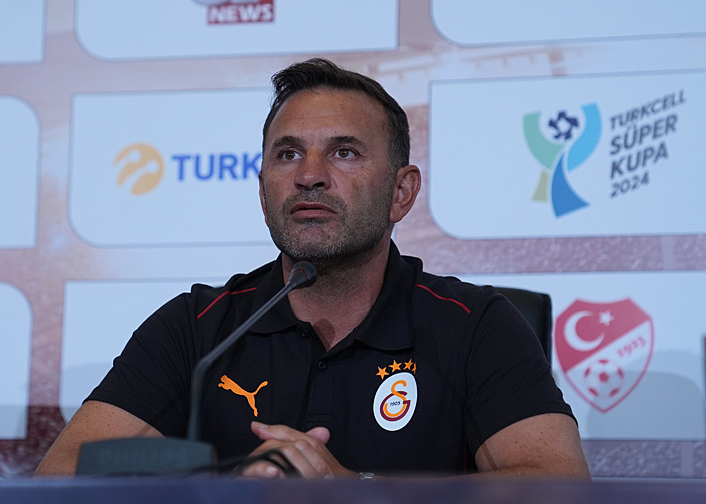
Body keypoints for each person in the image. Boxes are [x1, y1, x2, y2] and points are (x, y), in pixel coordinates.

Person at [36, 58, 590, 479]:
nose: (309, 175)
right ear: (263, 191)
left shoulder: (474, 325)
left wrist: (353, 495)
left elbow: (558, 488)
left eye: (344, 152)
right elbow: (62, 477)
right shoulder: (197, 329)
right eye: (288, 154)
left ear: (401, 193)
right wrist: (224, 492)